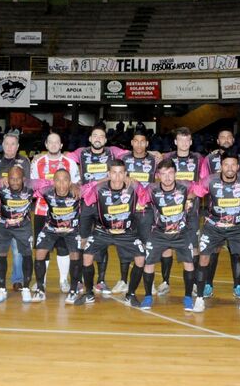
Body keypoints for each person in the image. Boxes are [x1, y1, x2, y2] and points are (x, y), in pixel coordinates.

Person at [190, 152, 240, 314]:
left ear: (238, 167)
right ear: (221, 166)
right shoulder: (210, 180)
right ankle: (200, 298)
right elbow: (192, 193)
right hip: (213, 226)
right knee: (204, 258)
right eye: (226, 165)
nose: (230, 168)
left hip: (237, 227)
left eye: (233, 165)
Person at [67, 125, 129, 295]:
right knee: (83, 240)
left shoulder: (113, 151)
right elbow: (64, 158)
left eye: (101, 136)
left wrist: (155, 153)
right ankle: (79, 280)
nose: (98, 138)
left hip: (106, 203)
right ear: (90, 138)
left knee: (102, 242)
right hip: (87, 203)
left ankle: (101, 281)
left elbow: (133, 156)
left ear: (105, 140)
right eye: (95, 135)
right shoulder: (81, 152)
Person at [77, 159, 145, 306]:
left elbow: (146, 196)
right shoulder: (99, 189)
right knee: (87, 256)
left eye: (121, 173)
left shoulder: (134, 188)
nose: (117, 176)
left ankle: (131, 294)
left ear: (126, 174)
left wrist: (135, 183)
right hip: (103, 231)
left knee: (140, 259)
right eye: (113, 173)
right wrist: (102, 179)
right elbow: (82, 193)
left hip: (127, 232)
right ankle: (88, 294)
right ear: (109, 174)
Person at [138, 159, 197, 311]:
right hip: (159, 233)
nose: (167, 177)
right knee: (149, 262)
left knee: (189, 263)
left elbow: (201, 188)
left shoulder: (185, 186)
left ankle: (188, 297)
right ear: (158, 175)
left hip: (181, 233)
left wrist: (191, 196)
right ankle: (148, 296)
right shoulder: (152, 189)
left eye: (170, 173)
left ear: (175, 173)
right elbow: (140, 198)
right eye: (163, 174)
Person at [30, 132, 80, 293]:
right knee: (42, 248)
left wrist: (73, 186)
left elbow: (77, 184)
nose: (53, 145)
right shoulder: (37, 162)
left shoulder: (70, 162)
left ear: (61, 145)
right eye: (50, 142)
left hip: (65, 211)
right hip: (42, 210)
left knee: (63, 247)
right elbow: (34, 184)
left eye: (56, 142)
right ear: (45, 144)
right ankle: (41, 281)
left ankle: (63, 280)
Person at [202, 128, 240, 298]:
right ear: (218, 140)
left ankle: (238, 285)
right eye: (222, 136)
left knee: (235, 252)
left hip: (236, 215)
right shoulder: (209, 159)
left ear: (233, 140)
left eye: (229, 136)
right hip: (215, 217)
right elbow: (204, 182)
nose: (226, 139)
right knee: (213, 251)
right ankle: (207, 284)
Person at [162, 127, 206, 295]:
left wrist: (192, 195)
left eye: (187, 140)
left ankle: (193, 283)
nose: (184, 143)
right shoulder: (167, 158)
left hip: (190, 210)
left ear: (191, 142)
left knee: (193, 247)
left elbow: (203, 181)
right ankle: (165, 282)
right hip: (169, 210)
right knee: (167, 245)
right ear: (175, 142)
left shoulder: (198, 159)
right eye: (180, 140)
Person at [33, 169, 84, 304]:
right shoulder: (46, 192)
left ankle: (73, 290)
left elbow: (94, 187)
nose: (61, 184)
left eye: (65, 180)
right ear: (53, 182)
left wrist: (77, 186)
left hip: (72, 229)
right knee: (39, 253)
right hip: (51, 228)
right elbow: (27, 185)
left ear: (70, 182)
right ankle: (40, 289)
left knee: (75, 255)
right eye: (58, 180)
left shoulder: (78, 193)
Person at [0, 132, 31, 292]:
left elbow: (27, 184)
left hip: (18, 211)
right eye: (7, 144)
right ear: (2, 145)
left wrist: (13, 179)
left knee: (17, 248)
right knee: (0, 246)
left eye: (13, 144)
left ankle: (17, 279)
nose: (10, 147)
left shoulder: (24, 161)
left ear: (18, 146)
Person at [119, 131, 157, 295]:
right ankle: (123, 281)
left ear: (147, 144)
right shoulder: (124, 159)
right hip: (126, 208)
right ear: (132, 143)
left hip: (145, 210)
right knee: (124, 245)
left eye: (143, 142)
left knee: (147, 245)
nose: (140, 144)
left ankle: (151, 282)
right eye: (137, 141)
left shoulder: (155, 160)